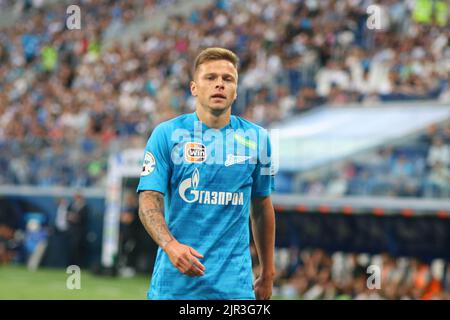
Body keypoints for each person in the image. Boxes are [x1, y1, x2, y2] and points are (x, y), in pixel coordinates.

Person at [137, 47, 276, 300]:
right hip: (174, 288)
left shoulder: (258, 140)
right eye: (210, 78)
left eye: (228, 79)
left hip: (235, 290)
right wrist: (170, 245)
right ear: (194, 88)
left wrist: (267, 273)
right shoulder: (166, 135)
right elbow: (148, 199)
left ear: (235, 91)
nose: (219, 85)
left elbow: (262, 206)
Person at [66, 192, 89, 267]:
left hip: (80, 232)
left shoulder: (85, 207)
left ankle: (79, 265)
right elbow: (67, 217)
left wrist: (75, 218)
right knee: (71, 248)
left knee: (79, 248)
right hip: (72, 231)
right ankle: (71, 264)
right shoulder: (71, 206)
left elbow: (83, 219)